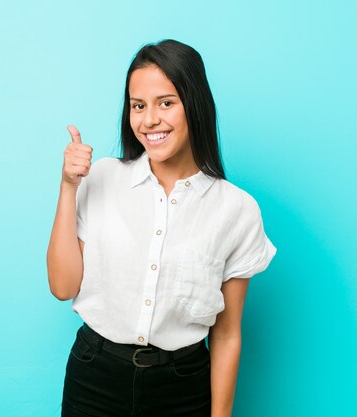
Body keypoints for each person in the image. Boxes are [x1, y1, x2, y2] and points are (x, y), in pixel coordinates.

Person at [47, 39, 277, 417]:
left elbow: (227, 333)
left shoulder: (236, 209)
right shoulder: (102, 177)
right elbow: (62, 287)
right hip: (94, 378)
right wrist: (68, 187)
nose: (149, 119)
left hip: (182, 388)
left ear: (195, 105)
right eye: (139, 106)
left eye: (166, 103)